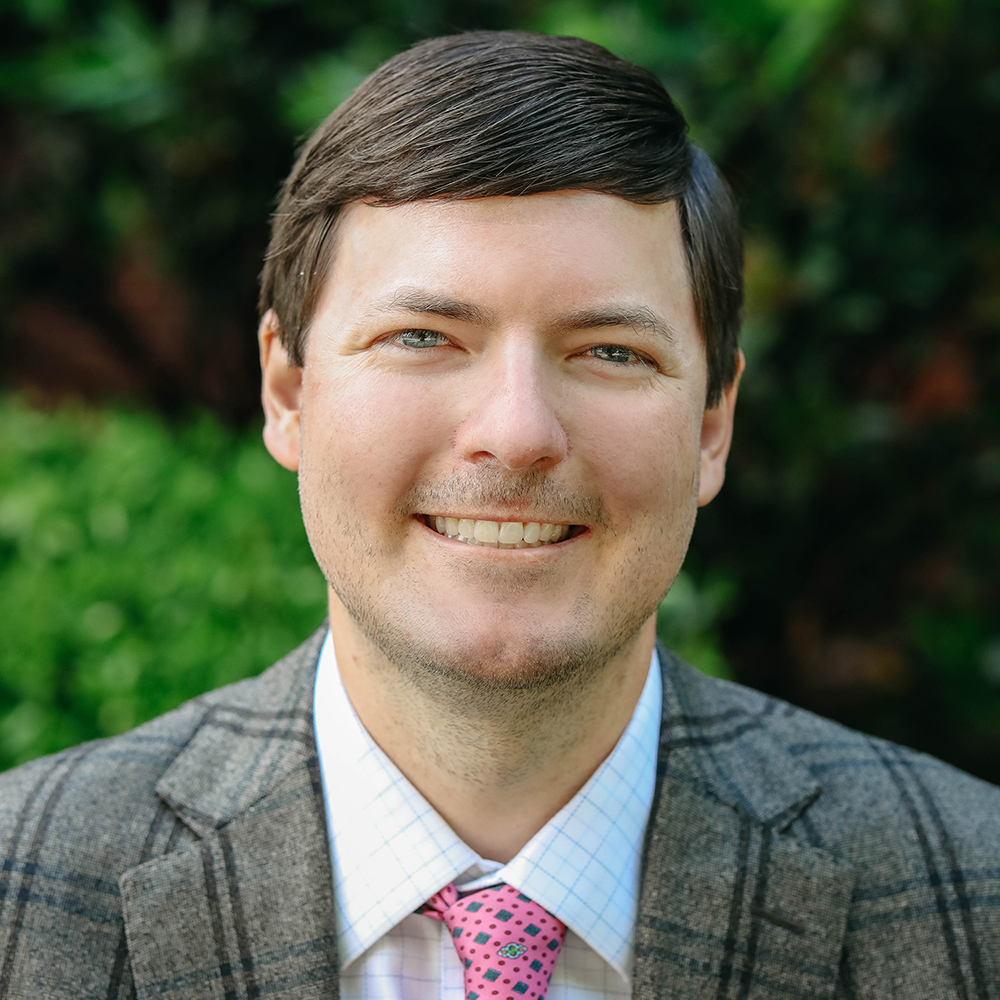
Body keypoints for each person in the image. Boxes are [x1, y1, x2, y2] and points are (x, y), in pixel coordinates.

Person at [1, 30, 998, 1000]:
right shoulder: (22, 896)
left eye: (611, 352)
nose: (516, 433)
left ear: (711, 425)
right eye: (423, 336)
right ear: (288, 393)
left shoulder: (972, 896)